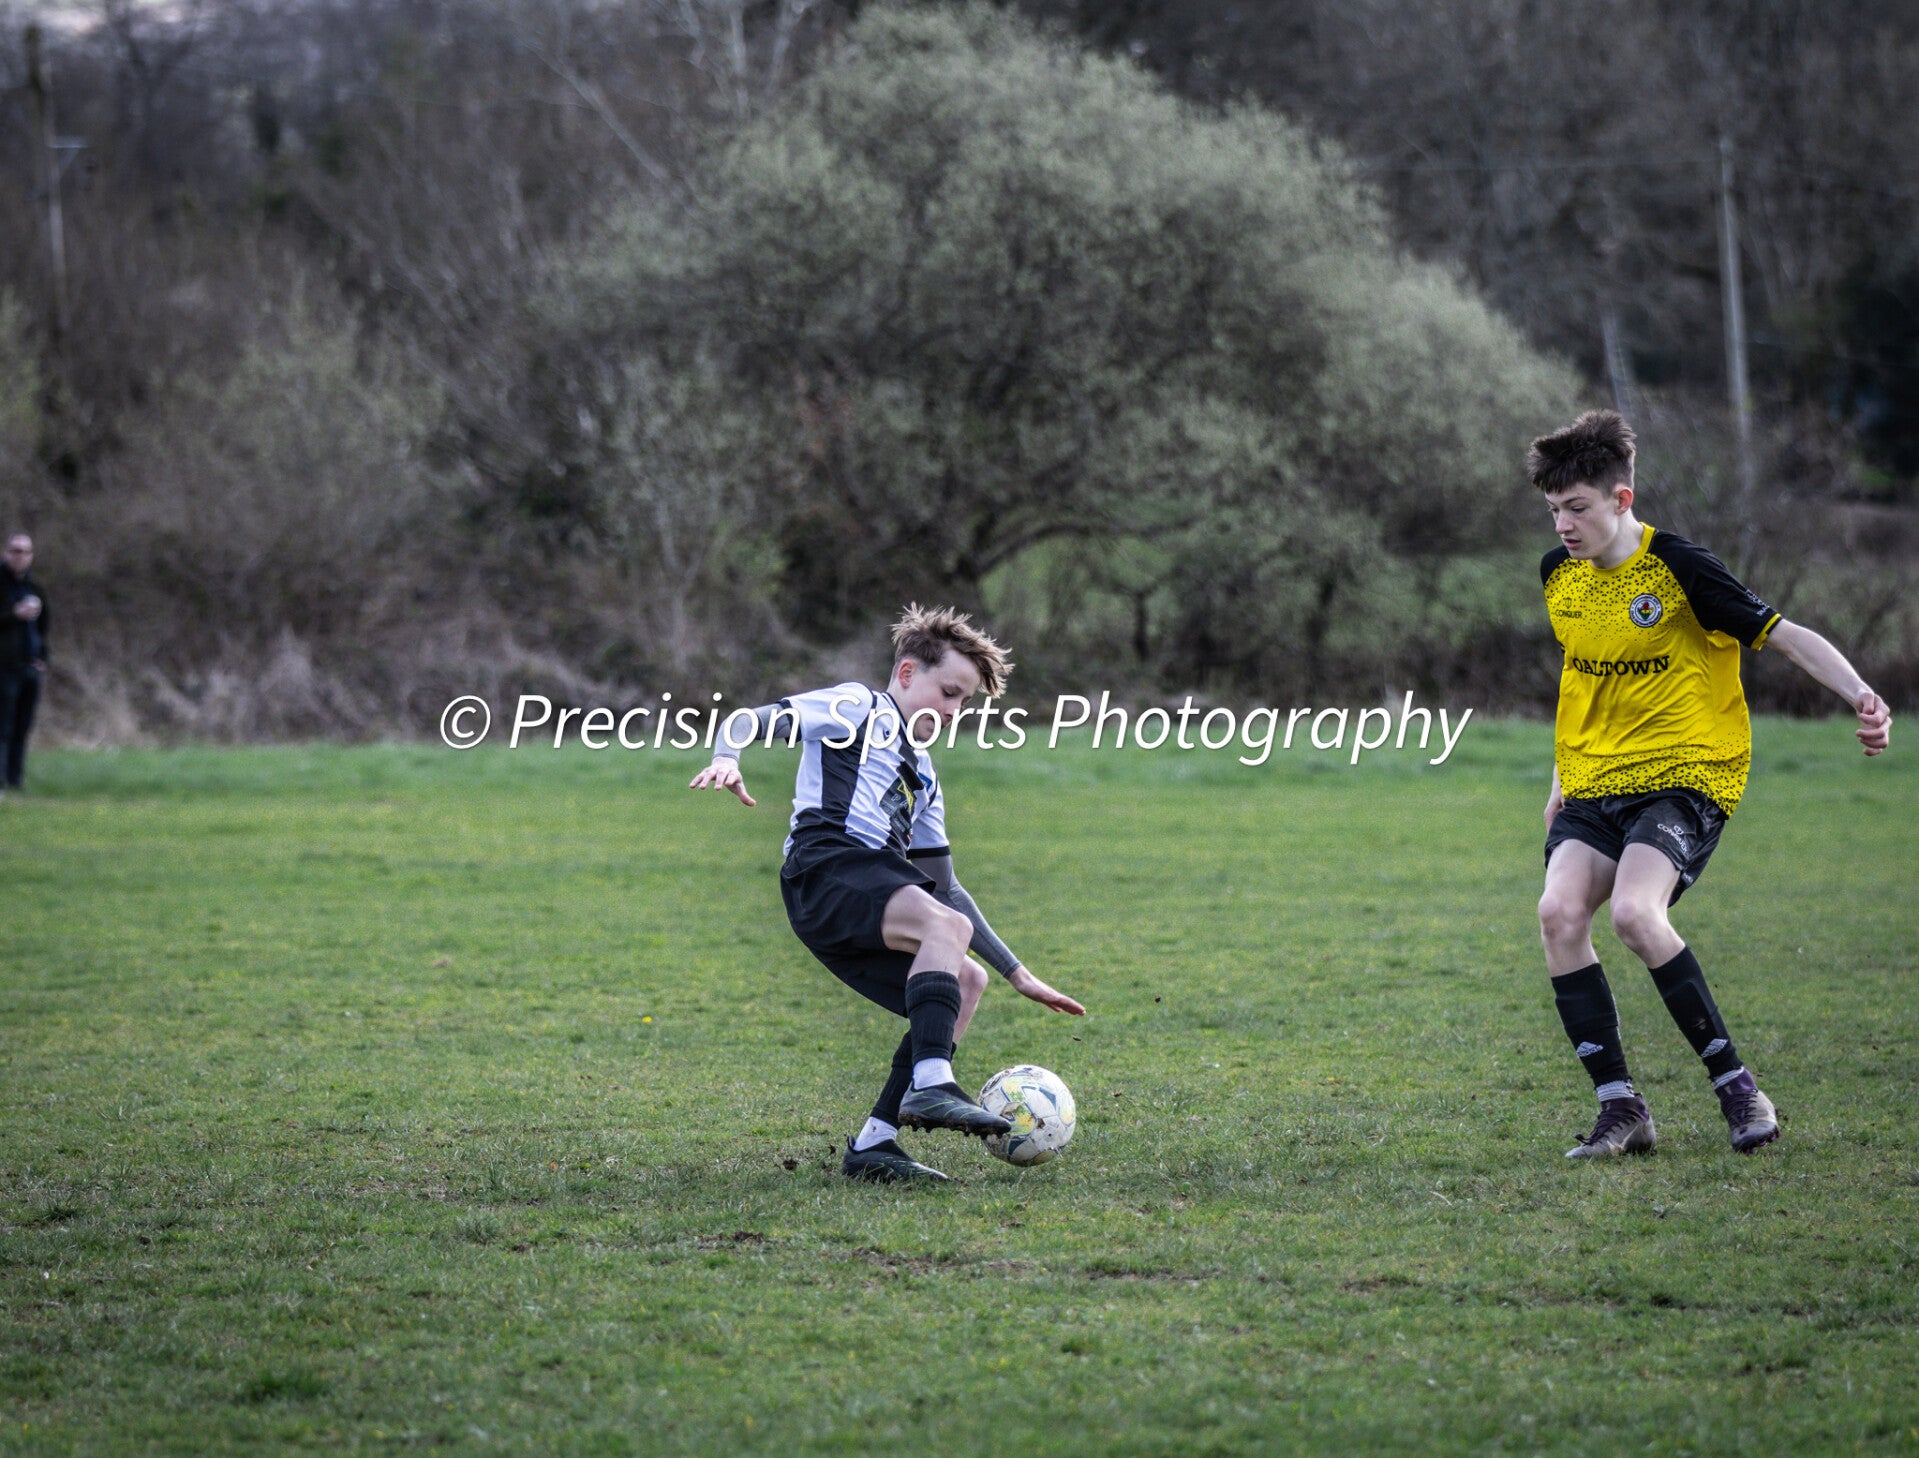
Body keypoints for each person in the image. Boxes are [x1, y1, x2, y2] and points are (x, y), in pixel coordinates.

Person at [1530, 412, 1891, 1159]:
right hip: (1595, 781)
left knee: (1635, 913)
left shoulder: (1679, 567)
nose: (1563, 525)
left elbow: (1783, 633)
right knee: (1558, 915)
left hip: (1686, 775)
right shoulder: (1557, 575)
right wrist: (1561, 774)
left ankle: (1737, 1087)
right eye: (1554, 510)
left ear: (1621, 499)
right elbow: (1582, 677)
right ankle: (1621, 1108)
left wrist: (1861, 694)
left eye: (1577, 508)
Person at [690, 604, 1085, 1182]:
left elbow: (945, 889)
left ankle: (876, 1143)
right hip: (826, 867)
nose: (951, 711)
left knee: (967, 979)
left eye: (962, 703)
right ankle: (931, 1083)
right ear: (906, 673)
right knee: (947, 931)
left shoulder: (924, 776)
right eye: (947, 692)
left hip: (861, 891)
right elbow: (748, 720)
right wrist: (727, 756)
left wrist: (1017, 973)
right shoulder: (859, 707)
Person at [0, 533, 48, 794]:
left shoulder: (34, 589)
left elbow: (44, 628)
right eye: (15, 550)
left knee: (22, 727)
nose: (20, 556)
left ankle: (15, 780)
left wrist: (42, 659)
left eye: (25, 551)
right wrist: (14, 614)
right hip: (4, 668)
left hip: (30, 668)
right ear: (6, 552)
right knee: (3, 726)